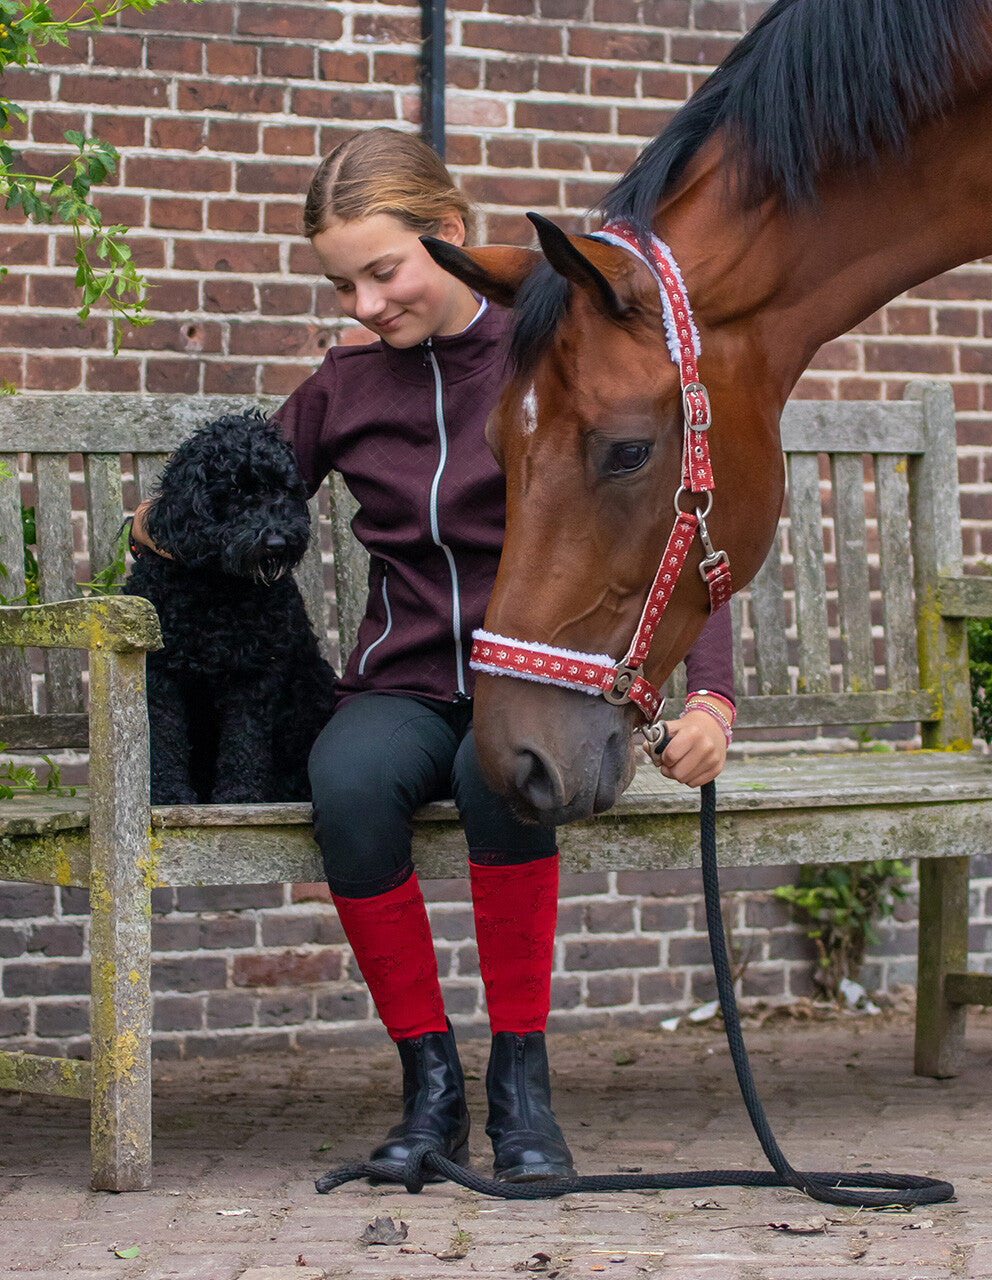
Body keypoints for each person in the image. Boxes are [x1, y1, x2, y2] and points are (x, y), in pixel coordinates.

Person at [134, 127, 737, 1184]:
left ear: (450, 236)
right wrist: (157, 526)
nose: (363, 304)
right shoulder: (342, 387)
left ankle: (521, 1085)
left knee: (502, 778)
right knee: (347, 779)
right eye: (341, 283)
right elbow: (242, 489)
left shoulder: (547, 353)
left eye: (383, 271)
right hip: (403, 678)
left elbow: (676, 531)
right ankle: (428, 1085)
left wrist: (710, 699)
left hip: (545, 688)